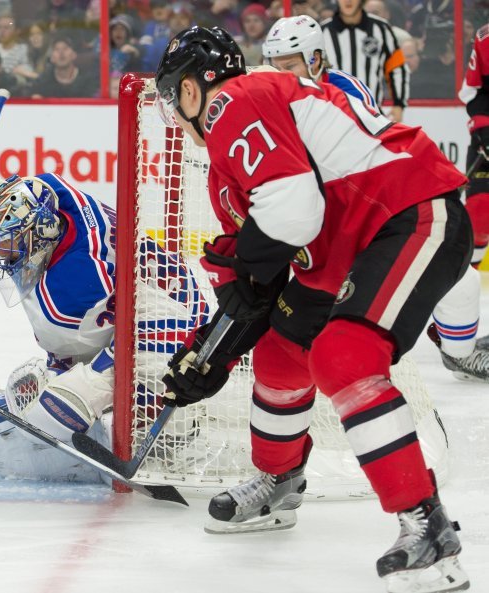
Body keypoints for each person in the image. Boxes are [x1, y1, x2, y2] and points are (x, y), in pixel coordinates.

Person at [156, 26, 469, 592]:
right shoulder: (231, 153)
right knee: (280, 352)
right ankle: (278, 482)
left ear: (193, 89)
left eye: (171, 96)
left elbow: (292, 214)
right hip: (346, 244)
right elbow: (253, 285)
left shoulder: (236, 99)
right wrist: (213, 351)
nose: (172, 114)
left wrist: (248, 269)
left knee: (344, 357)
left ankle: (425, 525)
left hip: (407, 211)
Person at [0, 173, 203, 481]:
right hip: (148, 293)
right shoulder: (38, 196)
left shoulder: (76, 283)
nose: (2, 257)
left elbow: (93, 344)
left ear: (40, 233)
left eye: (11, 248)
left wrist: (61, 378)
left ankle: (162, 429)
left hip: (173, 326)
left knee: (50, 416)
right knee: (54, 394)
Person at [263, 15, 487, 384]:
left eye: (289, 66)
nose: (281, 75)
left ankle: (458, 353)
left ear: (315, 60)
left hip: (362, 209)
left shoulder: (344, 90)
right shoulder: (272, 98)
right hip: (319, 218)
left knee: (459, 279)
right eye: (276, 67)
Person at [321, 0, 408, 122]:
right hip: (334, 115)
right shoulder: (322, 32)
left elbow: (397, 68)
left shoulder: (382, 28)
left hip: (373, 113)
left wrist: (399, 104)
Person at [28, 34, 98, 99]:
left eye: (65, 48)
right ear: (52, 58)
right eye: (56, 49)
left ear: (74, 55)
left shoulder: (87, 79)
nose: (61, 53)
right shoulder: (44, 80)